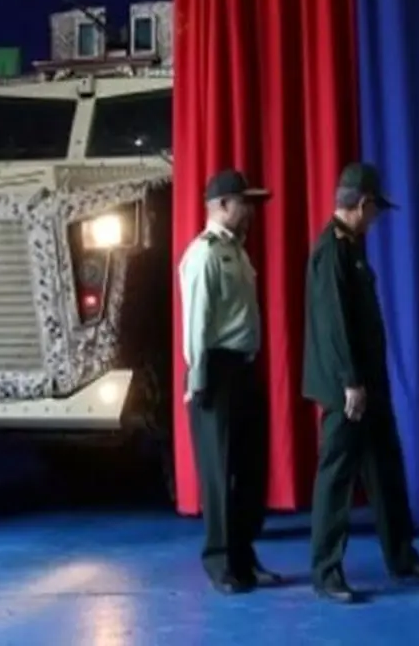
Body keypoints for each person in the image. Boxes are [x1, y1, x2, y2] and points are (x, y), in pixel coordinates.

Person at [303, 162, 419, 604]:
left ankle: (401, 555)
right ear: (362, 205)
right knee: (337, 477)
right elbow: (334, 322)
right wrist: (350, 381)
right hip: (348, 387)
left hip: (369, 384)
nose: (377, 218)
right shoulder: (332, 250)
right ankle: (326, 570)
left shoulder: (351, 246)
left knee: (386, 469)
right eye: (375, 209)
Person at [179, 168, 282, 594]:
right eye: (244, 203)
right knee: (219, 470)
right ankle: (220, 560)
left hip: (242, 367)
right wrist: (198, 379)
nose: (251, 211)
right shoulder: (203, 254)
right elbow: (196, 324)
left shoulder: (237, 251)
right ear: (222, 205)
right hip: (215, 372)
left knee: (249, 467)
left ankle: (243, 555)